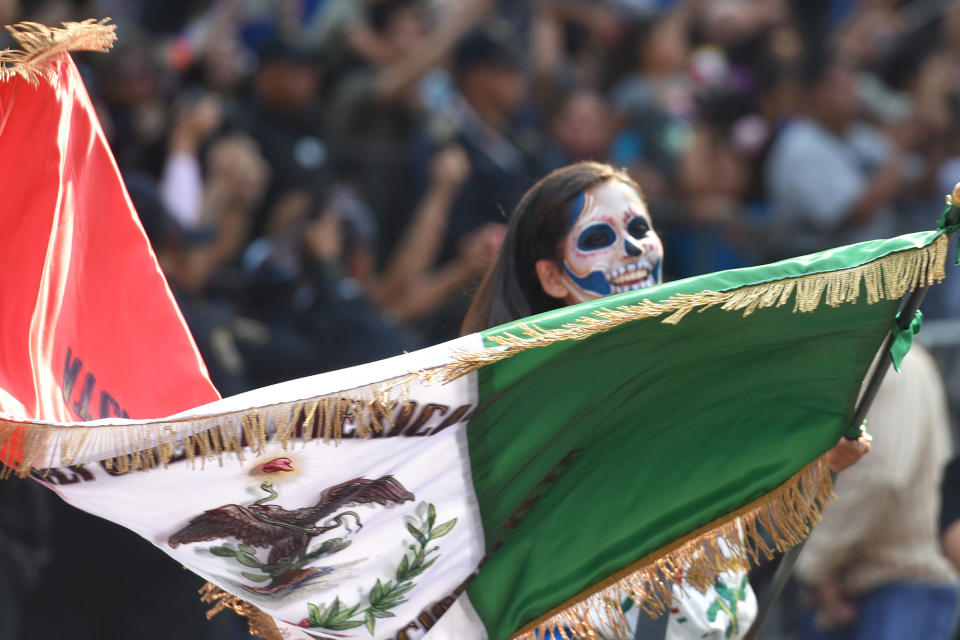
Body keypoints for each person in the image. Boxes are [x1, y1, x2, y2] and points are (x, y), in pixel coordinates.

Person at [461, 161, 870, 639]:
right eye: (598, 239)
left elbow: (717, 524)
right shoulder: (521, 406)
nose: (632, 248)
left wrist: (817, 468)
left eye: (639, 229)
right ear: (552, 278)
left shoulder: (700, 377)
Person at [797, 345, 958, 640]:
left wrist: (817, 562)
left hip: (903, 585)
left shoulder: (896, 362)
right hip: (863, 583)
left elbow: (882, 477)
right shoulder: (872, 359)